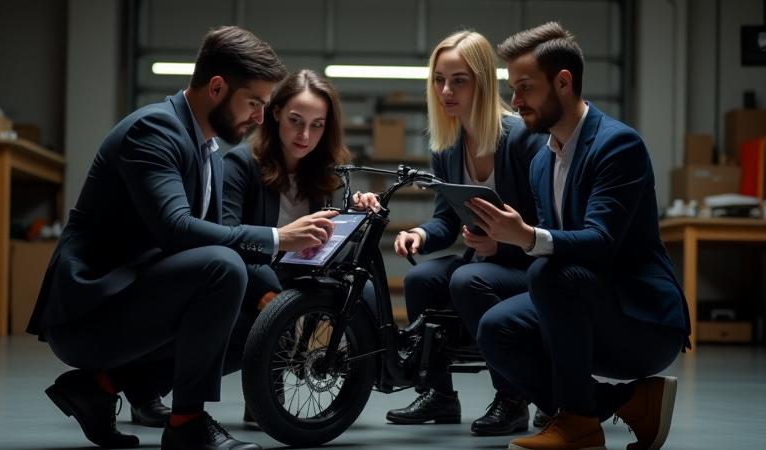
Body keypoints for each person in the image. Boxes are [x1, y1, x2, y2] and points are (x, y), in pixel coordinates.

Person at [26, 26, 335, 450]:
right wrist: (277, 237)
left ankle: (98, 389)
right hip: (89, 314)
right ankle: (187, 423)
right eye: (254, 104)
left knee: (255, 324)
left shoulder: (206, 149)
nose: (261, 118)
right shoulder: (154, 130)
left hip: (134, 300)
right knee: (222, 268)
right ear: (217, 88)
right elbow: (176, 229)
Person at [463, 22, 691, 450]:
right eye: (513, 88)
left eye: (525, 87)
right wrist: (506, 238)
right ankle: (629, 402)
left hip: (642, 321)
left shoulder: (618, 145)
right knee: (495, 328)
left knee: (548, 275)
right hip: (589, 305)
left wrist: (527, 236)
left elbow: (602, 242)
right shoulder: (541, 163)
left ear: (563, 82)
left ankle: (578, 425)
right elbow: (556, 247)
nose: (515, 101)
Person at [372, 30, 548, 436]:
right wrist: (420, 233)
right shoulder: (447, 147)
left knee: (468, 279)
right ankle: (439, 394)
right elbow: (446, 220)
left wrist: (504, 240)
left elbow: (549, 223)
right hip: (484, 260)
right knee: (420, 278)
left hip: (529, 264)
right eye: (439, 79)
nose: (446, 90)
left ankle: (512, 398)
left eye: (458, 80)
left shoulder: (522, 139)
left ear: (483, 82)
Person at [219, 68, 351, 428]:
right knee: (272, 301)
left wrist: (357, 209)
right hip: (249, 275)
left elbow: (325, 240)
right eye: (295, 121)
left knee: (362, 290)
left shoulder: (322, 174)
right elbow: (227, 235)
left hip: (297, 275)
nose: (305, 135)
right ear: (275, 112)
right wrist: (269, 282)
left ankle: (361, 377)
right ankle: (264, 392)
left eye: (317, 125)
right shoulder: (241, 164)